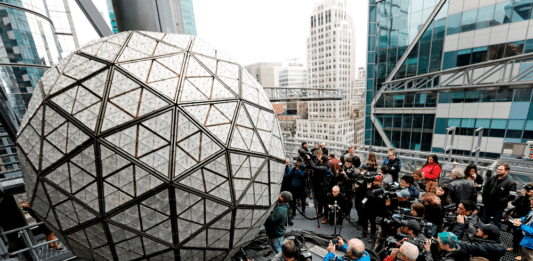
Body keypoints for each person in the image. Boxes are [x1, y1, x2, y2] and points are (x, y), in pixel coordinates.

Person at [482, 164, 517, 228]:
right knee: (484, 220)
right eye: (498, 169)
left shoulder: (511, 182)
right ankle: (484, 234)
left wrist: (500, 201)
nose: (498, 171)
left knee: (496, 221)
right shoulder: (492, 178)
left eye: (501, 170)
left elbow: (511, 196)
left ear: (507, 171)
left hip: (499, 207)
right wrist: (484, 200)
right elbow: (485, 188)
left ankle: (495, 236)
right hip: (487, 204)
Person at [508, 184, 533, 255]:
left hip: (527, 222)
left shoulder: (530, 200)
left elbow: (528, 210)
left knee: (523, 236)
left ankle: (520, 254)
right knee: (516, 235)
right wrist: (522, 196)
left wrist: (529, 197)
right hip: (520, 218)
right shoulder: (522, 197)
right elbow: (514, 203)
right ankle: (514, 247)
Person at [306, 154, 330, 223]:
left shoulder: (325, 167)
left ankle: (326, 216)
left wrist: (309, 159)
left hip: (323, 187)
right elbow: (314, 167)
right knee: (319, 200)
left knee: (325, 202)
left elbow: (314, 167)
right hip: (317, 185)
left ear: (323, 160)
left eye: (321, 158)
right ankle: (319, 212)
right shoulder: (319, 163)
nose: (319, 159)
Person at [512, 194, 533, 261]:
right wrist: (521, 219)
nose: (530, 205)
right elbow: (528, 217)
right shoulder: (532, 210)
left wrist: (521, 225)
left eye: (532, 204)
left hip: (530, 244)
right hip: (526, 240)